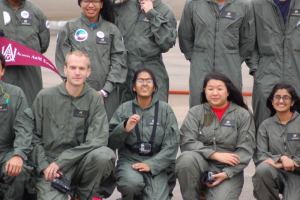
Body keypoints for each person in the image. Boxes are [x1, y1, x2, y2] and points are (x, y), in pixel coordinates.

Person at [30, 51, 115, 200]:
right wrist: (44, 166)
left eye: (82, 69)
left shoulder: (94, 99)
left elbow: (98, 140)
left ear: (88, 72)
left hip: (80, 162)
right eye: (73, 67)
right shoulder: (44, 97)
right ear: (65, 69)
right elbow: (33, 135)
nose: (77, 72)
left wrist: (63, 160)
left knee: (105, 155)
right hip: (50, 164)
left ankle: (81, 195)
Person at [176, 72, 256, 200]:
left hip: (228, 169)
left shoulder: (242, 115)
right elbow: (187, 141)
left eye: (219, 89)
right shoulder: (195, 113)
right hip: (201, 163)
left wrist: (227, 173)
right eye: (210, 89)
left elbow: (246, 149)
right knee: (186, 159)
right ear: (205, 91)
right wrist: (213, 154)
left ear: (228, 92)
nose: (214, 93)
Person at [109, 68, 180, 200]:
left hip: (157, 161)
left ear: (154, 88)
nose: (144, 84)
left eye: (149, 81)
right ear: (134, 87)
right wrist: (124, 128)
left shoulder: (165, 110)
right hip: (130, 160)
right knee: (131, 184)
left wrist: (151, 164)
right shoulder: (124, 108)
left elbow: (172, 145)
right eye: (140, 80)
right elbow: (111, 142)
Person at [55, 0, 127, 120]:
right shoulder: (69, 28)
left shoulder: (111, 30)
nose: (91, 5)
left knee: (105, 131)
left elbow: (119, 62)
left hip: (106, 97)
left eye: (95, 1)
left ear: (101, 4)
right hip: (77, 94)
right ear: (80, 3)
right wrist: (78, 88)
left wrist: (105, 91)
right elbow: (63, 61)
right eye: (87, 1)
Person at [179, 0, 256, 108]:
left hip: (230, 67)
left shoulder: (244, 6)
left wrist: (234, 59)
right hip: (200, 68)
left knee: (231, 107)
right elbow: (185, 36)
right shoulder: (193, 4)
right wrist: (197, 58)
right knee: (199, 106)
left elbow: (248, 40)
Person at [113, 0, 177, 103]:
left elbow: (166, 43)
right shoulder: (123, 6)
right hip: (124, 71)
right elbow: (99, 13)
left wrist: (152, 14)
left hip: (151, 70)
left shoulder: (165, 11)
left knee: (154, 113)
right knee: (124, 114)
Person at [251, 0, 300, 126]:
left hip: (296, 72)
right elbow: (249, 40)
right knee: (263, 122)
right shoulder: (256, 5)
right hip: (266, 74)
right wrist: (256, 69)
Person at [252, 83, 300, 200]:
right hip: (276, 172)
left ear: (292, 102)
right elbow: (260, 155)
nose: (281, 101)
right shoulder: (265, 125)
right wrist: (281, 159)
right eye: (277, 97)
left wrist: (292, 163)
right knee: (262, 169)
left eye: (286, 97)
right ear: (272, 101)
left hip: (297, 174)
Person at [0, 0, 50, 106]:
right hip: (4, 78)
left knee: (30, 114)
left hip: (30, 79)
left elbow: (43, 45)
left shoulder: (36, 12)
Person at [0, 53, 34, 199]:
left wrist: (18, 154)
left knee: (19, 170)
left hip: (6, 151)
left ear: (2, 71)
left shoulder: (15, 94)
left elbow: (24, 128)